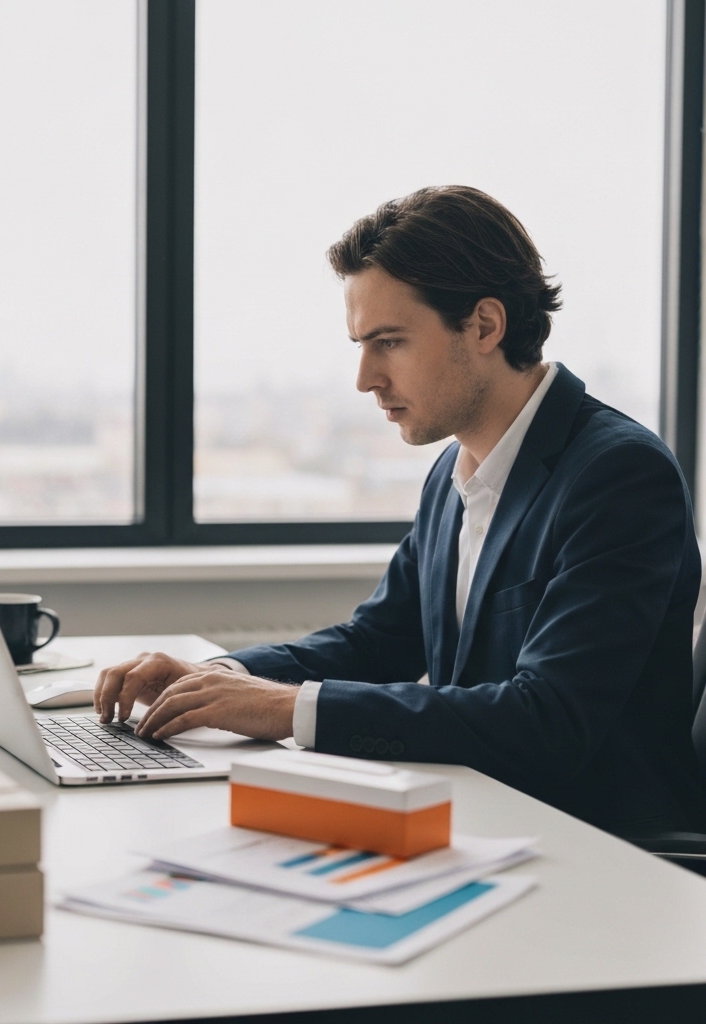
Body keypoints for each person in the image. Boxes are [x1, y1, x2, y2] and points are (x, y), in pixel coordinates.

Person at [94, 185, 706, 838]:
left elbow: (547, 719)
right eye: (360, 344)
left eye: (388, 342)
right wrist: (221, 677)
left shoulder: (618, 474)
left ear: (484, 326)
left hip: (599, 850)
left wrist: (285, 708)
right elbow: (378, 641)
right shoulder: (453, 469)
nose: (364, 378)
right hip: (479, 820)